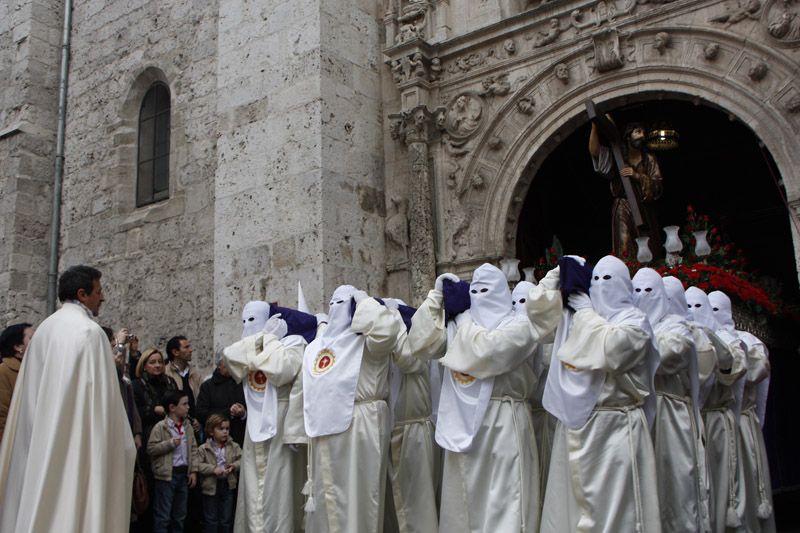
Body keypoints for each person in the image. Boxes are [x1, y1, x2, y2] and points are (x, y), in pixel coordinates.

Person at [408, 264, 561, 532]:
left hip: (504, 422)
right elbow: (421, 344)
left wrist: (463, 318)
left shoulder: (521, 324)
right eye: (475, 290)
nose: (480, 296)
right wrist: (436, 298)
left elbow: (487, 351)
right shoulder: (459, 325)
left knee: (505, 502)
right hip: (463, 424)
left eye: (486, 290)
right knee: (464, 502)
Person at [0, 265, 136, 532]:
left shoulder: (43, 331)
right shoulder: (89, 332)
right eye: (99, 291)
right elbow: (101, 404)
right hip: (79, 444)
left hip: (39, 440)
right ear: (82, 294)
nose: (104, 298)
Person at [540, 255, 661, 533]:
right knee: (569, 509)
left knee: (616, 510)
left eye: (609, 279)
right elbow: (539, 319)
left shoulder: (636, 320)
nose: (601, 285)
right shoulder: (580, 318)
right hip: (577, 423)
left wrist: (585, 313)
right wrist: (554, 278)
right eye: (595, 279)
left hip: (617, 427)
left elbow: (614, 351)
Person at [302, 286, 402, 533]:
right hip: (328, 429)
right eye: (333, 303)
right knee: (329, 496)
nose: (338, 309)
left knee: (362, 495)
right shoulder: (318, 345)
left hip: (363, 424)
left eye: (344, 304)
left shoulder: (369, 340)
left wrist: (364, 301)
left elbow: (386, 330)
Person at [223, 300, 309, 533]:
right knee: (253, 489)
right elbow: (230, 358)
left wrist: (270, 340)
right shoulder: (249, 346)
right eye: (244, 320)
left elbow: (282, 371)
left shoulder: (292, 342)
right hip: (255, 427)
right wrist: (263, 340)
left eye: (253, 319)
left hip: (282, 423)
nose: (248, 325)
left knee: (280, 489)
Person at [632, 268, 703, 532]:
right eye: (635, 291)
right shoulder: (630, 323)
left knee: (673, 483)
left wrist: (628, 344)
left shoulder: (676, 326)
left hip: (668, 415)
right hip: (639, 414)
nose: (641, 297)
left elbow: (668, 354)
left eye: (648, 291)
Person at [708, 291, 775, 532]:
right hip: (715, 420)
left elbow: (757, 375)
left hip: (743, 420)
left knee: (746, 473)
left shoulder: (747, 341)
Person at [685, 286, 748, 533]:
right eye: (686, 306)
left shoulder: (728, 342)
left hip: (716, 422)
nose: (692, 312)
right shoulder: (681, 335)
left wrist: (709, 338)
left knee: (721, 481)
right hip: (692, 422)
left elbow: (733, 369)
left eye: (698, 307)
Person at [383, 298, 439, 533]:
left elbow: (407, 359)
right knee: (392, 503)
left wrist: (393, 316)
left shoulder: (418, 347)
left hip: (414, 433)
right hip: (391, 432)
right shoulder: (387, 348)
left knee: (418, 503)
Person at [589, 118, 663, 258]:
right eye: (638, 132)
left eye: (643, 133)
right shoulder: (618, 157)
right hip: (623, 205)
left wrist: (637, 176)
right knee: (624, 243)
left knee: (648, 245)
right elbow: (595, 152)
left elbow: (657, 185)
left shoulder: (649, 159)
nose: (642, 136)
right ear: (628, 136)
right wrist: (595, 125)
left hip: (644, 208)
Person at [147, 389, 199, 533]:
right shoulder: (161, 427)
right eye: (184, 404)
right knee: (163, 516)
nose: (188, 407)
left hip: (183, 474)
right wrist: (168, 444)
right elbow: (151, 449)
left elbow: (193, 449)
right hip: (166, 476)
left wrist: (193, 470)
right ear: (172, 407)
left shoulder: (187, 426)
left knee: (179, 515)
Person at [198, 414, 242, 533]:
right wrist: (213, 469)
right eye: (221, 429)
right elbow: (198, 465)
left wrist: (234, 466)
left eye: (227, 429)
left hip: (228, 485)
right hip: (211, 486)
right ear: (211, 431)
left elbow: (242, 459)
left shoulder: (234, 446)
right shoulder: (204, 448)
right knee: (211, 519)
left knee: (226, 519)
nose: (225, 432)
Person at [101, 326, 143, 451]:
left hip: (128, 425)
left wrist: (137, 431)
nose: (114, 343)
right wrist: (119, 346)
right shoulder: (102, 368)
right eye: (111, 340)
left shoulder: (120, 371)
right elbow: (115, 372)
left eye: (115, 340)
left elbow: (128, 377)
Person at [196, 348, 247, 447]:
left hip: (241, 439)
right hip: (216, 443)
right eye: (227, 362)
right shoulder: (208, 386)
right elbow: (201, 414)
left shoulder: (243, 384)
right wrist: (228, 413)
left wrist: (243, 413)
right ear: (219, 365)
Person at [134, 348, 179, 445]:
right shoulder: (137, 385)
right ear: (144, 366)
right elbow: (134, 412)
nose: (157, 365)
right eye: (152, 362)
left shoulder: (170, 382)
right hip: (149, 435)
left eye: (160, 362)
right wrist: (152, 409)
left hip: (172, 431)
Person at [0, 323, 33, 442]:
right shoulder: (4, 372)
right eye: (31, 338)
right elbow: (1, 415)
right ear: (18, 346)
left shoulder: (32, 369)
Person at [165, 336, 203, 436]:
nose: (190, 350)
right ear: (175, 352)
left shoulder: (194, 373)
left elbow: (201, 398)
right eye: (186, 347)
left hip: (195, 425)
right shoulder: (166, 373)